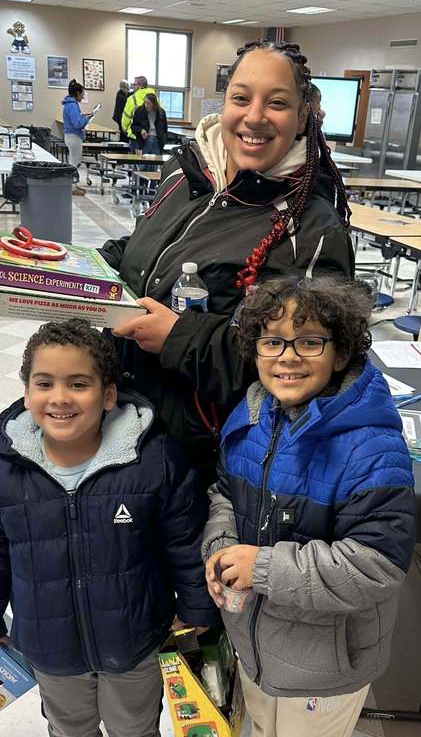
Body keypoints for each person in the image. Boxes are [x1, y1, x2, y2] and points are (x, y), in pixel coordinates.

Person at [0, 319, 218, 737]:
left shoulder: (154, 462)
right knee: (67, 721)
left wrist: (197, 609)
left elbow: (184, 544)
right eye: (44, 383)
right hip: (49, 640)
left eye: (79, 383)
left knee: (136, 722)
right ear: (25, 392)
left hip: (136, 634)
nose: (60, 398)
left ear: (109, 394)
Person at [202, 276, 416, 737]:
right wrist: (221, 548)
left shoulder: (371, 447)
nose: (287, 357)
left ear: (342, 351)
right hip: (257, 634)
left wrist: (261, 566)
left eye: (309, 342)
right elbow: (224, 495)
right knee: (266, 731)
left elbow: (376, 565)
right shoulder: (249, 416)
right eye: (272, 341)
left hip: (328, 654)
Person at [107, 39, 355, 481]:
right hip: (123, 417)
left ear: (302, 117)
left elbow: (295, 364)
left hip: (197, 460)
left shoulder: (313, 230)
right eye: (241, 98)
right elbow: (144, 252)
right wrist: (75, 268)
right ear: (223, 105)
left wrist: (177, 337)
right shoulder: (187, 175)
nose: (254, 116)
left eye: (276, 103)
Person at [62, 79, 94, 196]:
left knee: (73, 161)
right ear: (77, 93)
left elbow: (75, 119)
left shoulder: (69, 104)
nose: (83, 95)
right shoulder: (72, 106)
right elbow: (78, 124)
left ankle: (73, 185)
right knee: (74, 163)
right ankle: (72, 187)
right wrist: (86, 119)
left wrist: (83, 116)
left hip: (70, 136)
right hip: (74, 136)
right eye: (82, 93)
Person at [121, 75, 157, 151]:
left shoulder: (132, 99)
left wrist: (124, 129)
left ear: (140, 86)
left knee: (137, 160)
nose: (132, 86)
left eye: (134, 84)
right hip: (152, 136)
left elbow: (126, 117)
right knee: (151, 161)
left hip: (136, 136)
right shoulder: (155, 98)